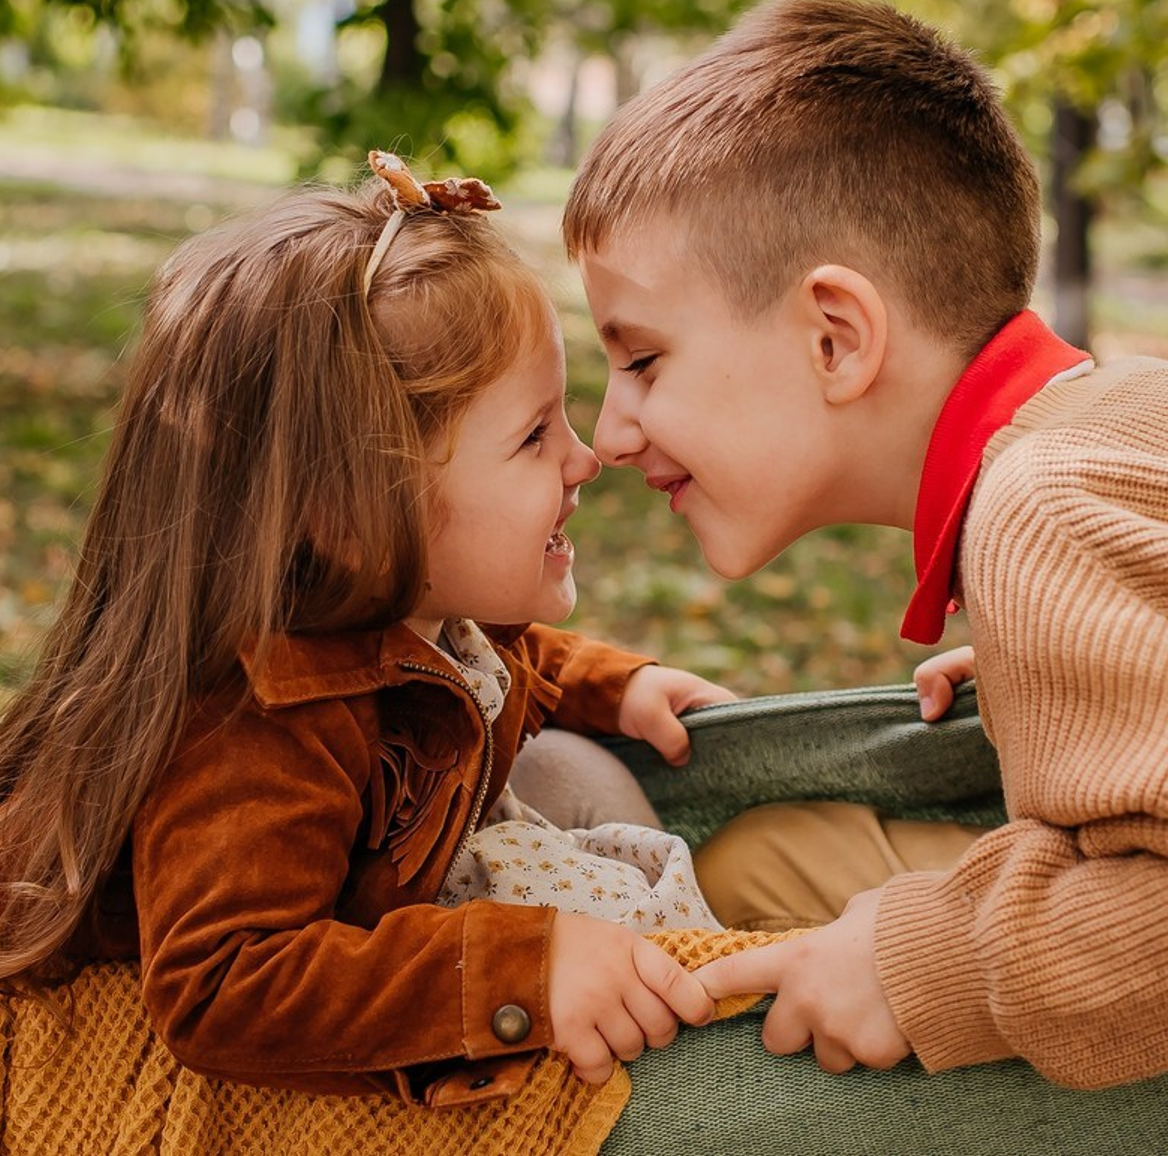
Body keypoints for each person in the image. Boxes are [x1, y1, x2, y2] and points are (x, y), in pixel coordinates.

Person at [561, 0, 1168, 1089]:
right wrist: (1060, 660)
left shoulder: (1046, 509)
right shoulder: (1113, 420)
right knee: (758, 856)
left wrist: (923, 968)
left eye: (643, 361)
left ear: (834, 337)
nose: (608, 433)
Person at [0, 149, 738, 1102]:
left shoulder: (411, 608)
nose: (585, 457)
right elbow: (225, 983)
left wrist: (613, 684)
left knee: (587, 784)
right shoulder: (258, 727)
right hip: (148, 1050)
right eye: (532, 436)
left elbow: (487, 657)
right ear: (353, 519)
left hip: (419, 890)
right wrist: (515, 973)